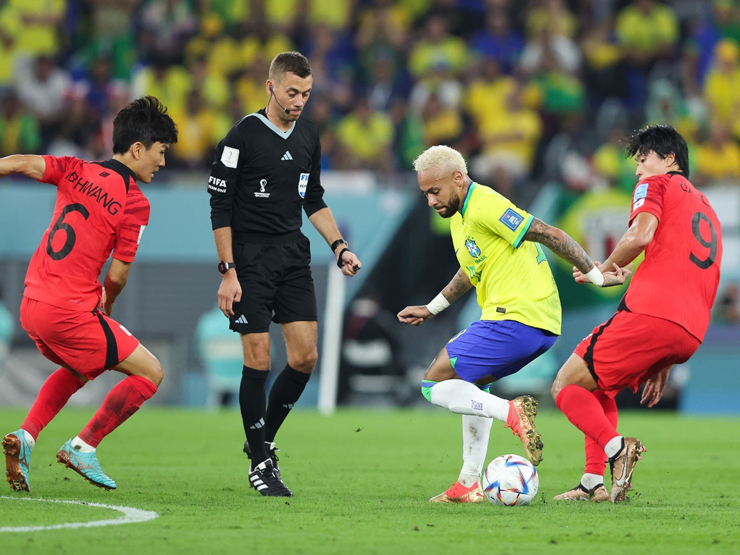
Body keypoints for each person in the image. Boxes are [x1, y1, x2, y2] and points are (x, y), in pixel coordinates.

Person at [397, 145, 628, 503]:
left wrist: (596, 276)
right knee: (470, 386)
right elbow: (471, 269)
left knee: (432, 382)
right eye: (425, 193)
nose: (430, 201)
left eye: (434, 191)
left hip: (517, 318)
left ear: (458, 178)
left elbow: (550, 233)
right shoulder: (462, 218)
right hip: (535, 324)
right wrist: (433, 307)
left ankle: (511, 411)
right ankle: (468, 483)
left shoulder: (485, 204)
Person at [2, 96, 178, 492]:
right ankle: (83, 446)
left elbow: (24, 163)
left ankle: (26, 438)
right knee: (151, 373)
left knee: (81, 368)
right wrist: (108, 302)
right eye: (160, 152)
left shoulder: (74, 168)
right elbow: (118, 273)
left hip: (32, 305)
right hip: (68, 311)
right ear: (138, 149)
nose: (162, 163)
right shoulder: (135, 202)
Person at [208, 51, 362, 497]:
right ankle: (260, 463)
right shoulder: (241, 136)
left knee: (305, 358)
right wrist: (228, 271)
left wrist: (339, 247)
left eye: (307, 94)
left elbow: (312, 197)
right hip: (248, 261)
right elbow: (219, 207)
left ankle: (262, 439)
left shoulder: (309, 135)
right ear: (270, 86)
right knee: (258, 358)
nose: (299, 101)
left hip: (292, 254)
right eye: (292, 92)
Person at [551, 124, 722, 504]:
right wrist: (665, 361)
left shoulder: (657, 186)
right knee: (599, 385)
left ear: (670, 159)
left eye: (644, 158)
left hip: (651, 314)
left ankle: (617, 450)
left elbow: (640, 235)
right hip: (690, 331)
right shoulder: (707, 209)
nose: (638, 169)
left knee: (567, 384)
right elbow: (704, 277)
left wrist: (603, 270)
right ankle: (592, 483)